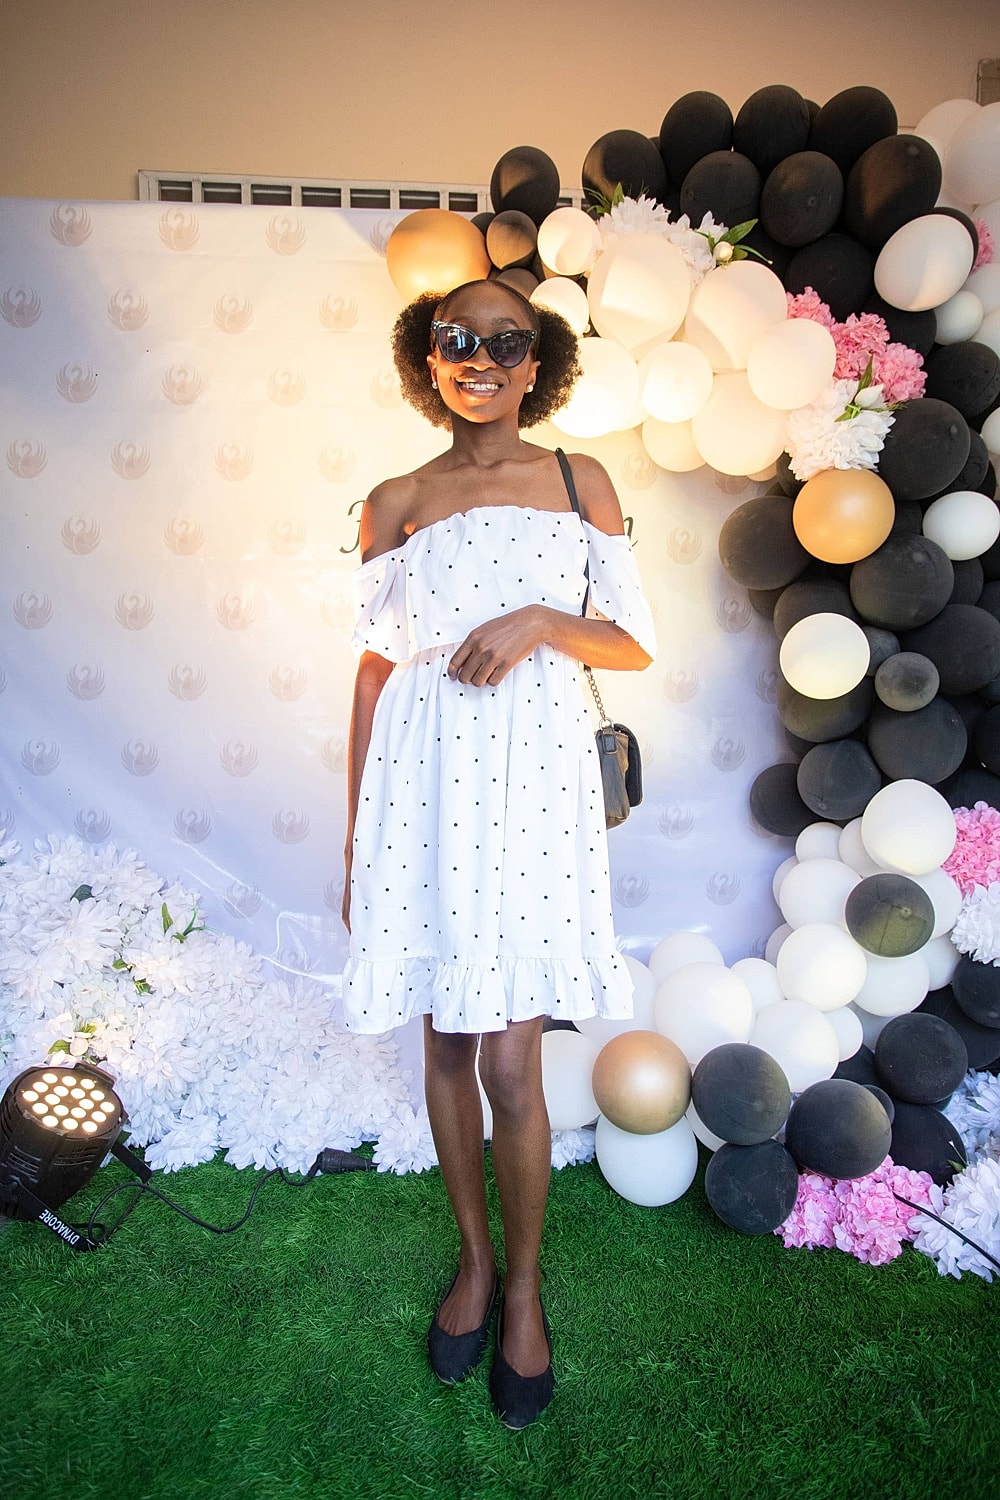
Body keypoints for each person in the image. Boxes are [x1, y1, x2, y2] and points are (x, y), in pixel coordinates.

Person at [341, 277, 655, 1428]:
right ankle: (471, 1262)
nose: (479, 355)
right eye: (454, 338)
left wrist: (538, 624)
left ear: (540, 362)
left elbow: (630, 642)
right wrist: (352, 846)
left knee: (513, 1063)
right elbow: (376, 669)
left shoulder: (581, 482)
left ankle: (524, 1291)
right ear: (426, 359)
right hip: (420, 793)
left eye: (505, 340)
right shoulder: (395, 501)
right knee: (445, 1034)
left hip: (531, 793)